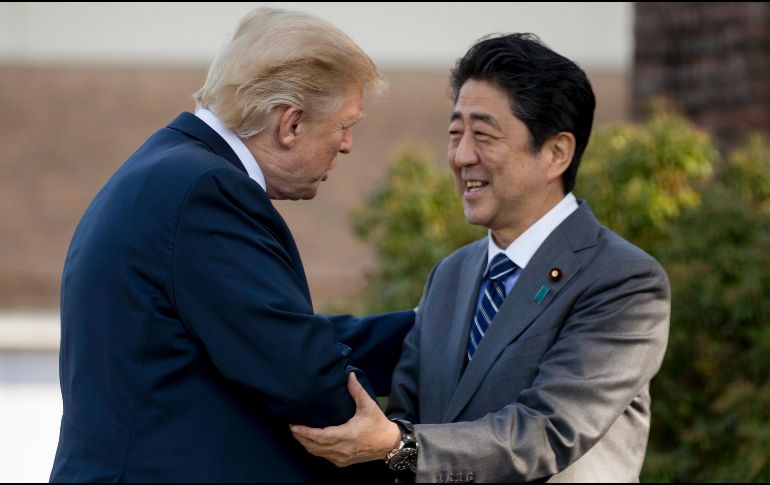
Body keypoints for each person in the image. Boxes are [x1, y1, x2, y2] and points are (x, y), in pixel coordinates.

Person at [50, 7, 414, 483]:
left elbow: (268, 332)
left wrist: (432, 335)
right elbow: (302, 372)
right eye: (346, 125)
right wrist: (405, 451)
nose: (346, 145)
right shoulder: (207, 191)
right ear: (292, 124)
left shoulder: (167, 172)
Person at [290, 33, 671, 482]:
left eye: (483, 135)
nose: (461, 156)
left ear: (556, 153)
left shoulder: (624, 280)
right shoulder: (451, 274)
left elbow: (548, 431)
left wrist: (401, 445)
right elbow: (409, 418)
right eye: (455, 134)